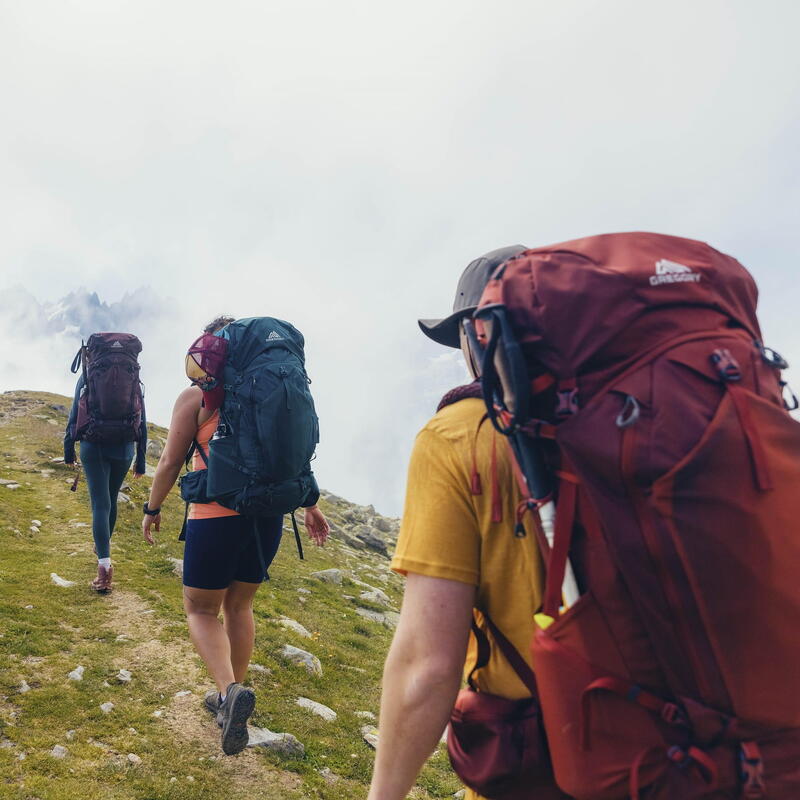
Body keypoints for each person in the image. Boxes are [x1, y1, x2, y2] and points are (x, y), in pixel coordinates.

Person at [367, 247, 566, 800]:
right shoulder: (639, 418)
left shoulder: (457, 436)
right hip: (693, 747)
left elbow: (428, 667)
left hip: (550, 758)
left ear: (476, 337)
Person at [140, 315, 330, 757]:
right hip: (267, 514)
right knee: (240, 604)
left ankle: (228, 693)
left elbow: (170, 461)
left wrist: (152, 509)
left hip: (214, 515)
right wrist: (311, 505)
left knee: (201, 609)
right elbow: (291, 451)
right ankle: (233, 695)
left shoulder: (196, 399)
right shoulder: (275, 393)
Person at [64, 336, 147, 594]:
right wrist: (141, 460)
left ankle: (104, 567)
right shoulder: (133, 377)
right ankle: (104, 548)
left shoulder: (89, 376)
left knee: (100, 503)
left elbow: (74, 415)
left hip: (94, 445)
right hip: (124, 446)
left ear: (91, 354)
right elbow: (142, 417)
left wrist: (69, 450)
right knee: (110, 499)